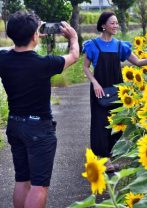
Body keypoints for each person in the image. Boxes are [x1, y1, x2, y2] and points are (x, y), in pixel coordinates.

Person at [0, 11, 79, 208]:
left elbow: (14, 49)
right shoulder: (45, 63)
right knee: (39, 185)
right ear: (35, 35)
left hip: (15, 125)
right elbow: (74, 55)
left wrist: (28, 36)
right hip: (39, 128)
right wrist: (74, 38)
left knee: (22, 180)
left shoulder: (3, 59)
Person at [83, 11, 147, 171]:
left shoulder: (120, 45)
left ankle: (110, 155)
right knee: (100, 123)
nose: (116, 26)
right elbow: (85, 67)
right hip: (99, 90)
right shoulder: (93, 45)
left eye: (117, 23)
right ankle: (104, 159)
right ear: (103, 25)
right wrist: (95, 82)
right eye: (112, 23)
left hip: (118, 90)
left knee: (117, 123)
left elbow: (138, 62)